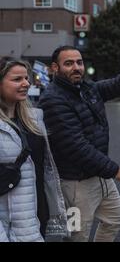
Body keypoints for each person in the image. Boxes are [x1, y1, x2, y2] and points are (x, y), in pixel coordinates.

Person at [38, 43, 120, 242]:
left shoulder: (86, 88)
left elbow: (118, 84)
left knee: (115, 218)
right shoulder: (52, 100)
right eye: (69, 63)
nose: (76, 67)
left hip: (99, 175)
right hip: (75, 184)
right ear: (55, 68)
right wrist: (116, 171)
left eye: (79, 62)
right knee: (77, 236)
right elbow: (77, 147)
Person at [0, 57, 67, 242]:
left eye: (26, 78)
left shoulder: (34, 118)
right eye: (17, 79)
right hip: (12, 224)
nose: (26, 83)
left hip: (38, 212)